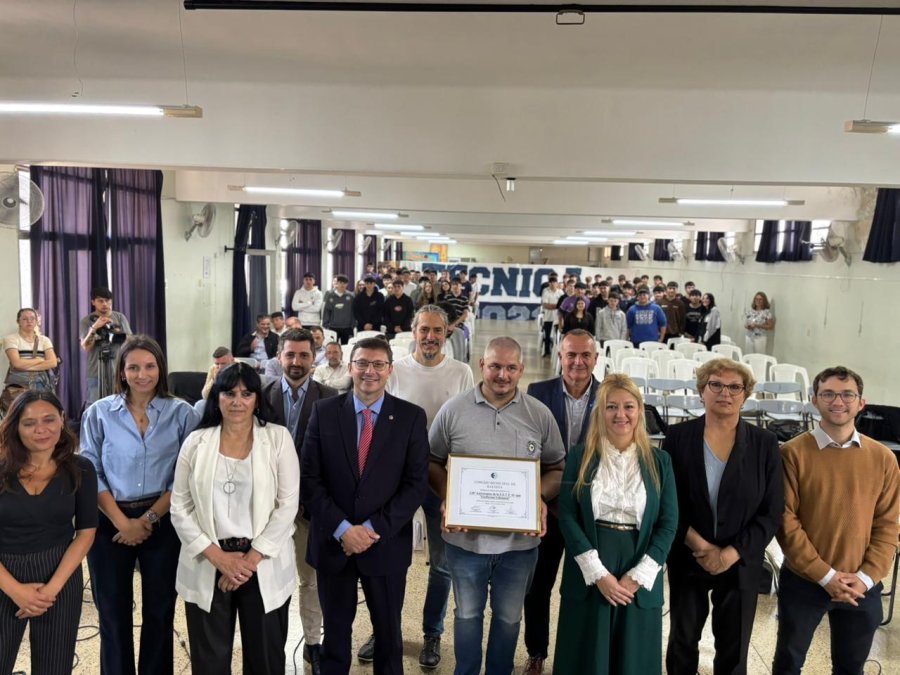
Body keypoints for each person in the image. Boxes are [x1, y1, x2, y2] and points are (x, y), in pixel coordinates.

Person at [428, 337, 566, 675]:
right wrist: (450, 497)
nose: (501, 374)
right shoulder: (454, 410)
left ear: (521, 370)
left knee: (508, 618)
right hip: (465, 543)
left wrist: (539, 498)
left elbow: (557, 468)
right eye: (494, 366)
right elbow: (432, 461)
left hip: (519, 546)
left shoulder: (539, 414)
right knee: (467, 616)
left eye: (509, 368)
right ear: (482, 366)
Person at [300, 337, 430, 674]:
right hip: (334, 543)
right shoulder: (324, 412)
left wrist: (370, 530)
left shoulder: (411, 417)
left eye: (377, 364)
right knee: (336, 637)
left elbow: (415, 485)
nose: (369, 371)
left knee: (389, 636)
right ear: (350, 366)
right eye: (362, 363)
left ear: (389, 370)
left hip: (384, 545)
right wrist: (344, 530)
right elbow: (309, 480)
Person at [357, 305, 475, 668]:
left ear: (446, 334)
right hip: (395, 480)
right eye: (424, 329)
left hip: (442, 477)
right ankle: (384, 629)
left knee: (441, 563)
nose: (430, 337)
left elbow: (468, 425)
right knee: (389, 559)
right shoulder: (395, 371)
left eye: (437, 331)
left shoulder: (461, 372)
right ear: (413, 330)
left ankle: (432, 632)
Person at [80, 335, 200, 675]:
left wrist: (147, 519)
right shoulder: (99, 413)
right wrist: (122, 522)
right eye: (133, 367)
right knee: (113, 613)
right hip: (109, 521)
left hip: (163, 520)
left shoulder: (182, 413)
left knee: (160, 612)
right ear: (121, 371)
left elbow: (187, 476)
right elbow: (90, 472)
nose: (142, 374)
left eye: (149, 366)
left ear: (160, 368)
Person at [171, 362, 300, 675]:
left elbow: (288, 505)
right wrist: (220, 559)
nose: (237, 401)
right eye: (229, 393)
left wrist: (248, 561)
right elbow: (179, 506)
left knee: (266, 660)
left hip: (263, 561)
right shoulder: (197, 442)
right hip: (208, 560)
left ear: (257, 398)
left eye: (246, 393)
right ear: (217, 397)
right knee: (210, 661)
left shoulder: (278, 438)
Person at [772, 366, 899, 675]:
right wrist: (825, 575)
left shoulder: (883, 458)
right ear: (814, 400)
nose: (838, 401)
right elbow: (786, 522)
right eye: (828, 394)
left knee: (850, 667)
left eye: (847, 395)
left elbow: (889, 524)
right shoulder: (791, 454)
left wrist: (867, 577)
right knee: (788, 664)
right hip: (805, 581)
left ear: (861, 402)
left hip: (862, 584)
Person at [664, 358, 783, 675]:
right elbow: (667, 501)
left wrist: (731, 553)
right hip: (689, 554)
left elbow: (771, 512)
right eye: (715, 384)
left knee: (734, 649)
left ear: (745, 394)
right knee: (682, 641)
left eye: (734, 387)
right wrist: (698, 544)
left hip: (740, 559)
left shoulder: (765, 444)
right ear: (702, 390)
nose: (724, 393)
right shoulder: (677, 438)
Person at [553, 374, 677, 675]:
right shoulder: (581, 456)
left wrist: (638, 576)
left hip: (639, 564)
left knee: (632, 659)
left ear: (640, 410)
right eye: (611, 407)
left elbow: (668, 522)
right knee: (586, 656)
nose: (620, 414)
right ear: (600, 412)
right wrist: (598, 574)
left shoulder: (661, 461)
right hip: (590, 564)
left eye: (628, 406)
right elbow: (567, 515)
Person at [0, 391, 97, 675]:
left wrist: (50, 591)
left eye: (49, 419)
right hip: (4, 574)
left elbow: (86, 531)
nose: (41, 430)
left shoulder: (81, 469)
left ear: (62, 420)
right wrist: (17, 591)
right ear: (14, 426)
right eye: (29, 423)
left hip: (60, 574)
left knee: (54, 666)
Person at [522, 329, 600, 674]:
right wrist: (543, 494)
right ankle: (536, 652)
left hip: (593, 512)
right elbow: (526, 448)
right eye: (571, 355)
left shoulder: (612, 395)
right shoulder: (537, 394)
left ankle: (581, 653)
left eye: (585, 355)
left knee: (588, 585)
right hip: (547, 507)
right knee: (537, 586)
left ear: (596, 359)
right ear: (560, 357)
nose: (578, 362)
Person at [262, 328, 339, 674]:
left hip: (310, 510)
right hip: (266, 509)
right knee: (267, 578)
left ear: (314, 358)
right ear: (279, 357)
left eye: (304, 355)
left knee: (311, 580)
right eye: (290, 355)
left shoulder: (331, 398)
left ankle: (312, 643)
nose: (296, 362)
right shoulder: (259, 397)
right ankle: (268, 642)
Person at [79, 287, 133, 404]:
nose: (105, 304)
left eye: (108, 301)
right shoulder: (86, 321)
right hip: (96, 371)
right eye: (100, 301)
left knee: (120, 404)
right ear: (93, 302)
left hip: (118, 370)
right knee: (95, 406)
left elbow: (131, 342)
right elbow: (86, 347)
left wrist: (115, 331)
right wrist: (94, 328)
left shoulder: (119, 317)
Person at [3, 307, 59, 399]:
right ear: (18, 321)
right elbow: (16, 363)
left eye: (32, 318)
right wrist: (39, 360)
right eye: (25, 319)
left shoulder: (44, 340)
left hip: (42, 384)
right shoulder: (11, 339)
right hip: (19, 386)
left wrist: (25, 365)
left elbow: (53, 362)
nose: (29, 321)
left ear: (36, 321)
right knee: (20, 412)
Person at [322, 275, 356, 344]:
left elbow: (354, 311)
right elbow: (327, 311)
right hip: (333, 327)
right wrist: (325, 324)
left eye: (344, 283)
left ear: (347, 284)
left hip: (347, 327)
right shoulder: (330, 296)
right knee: (333, 347)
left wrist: (353, 324)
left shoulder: (351, 296)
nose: (342, 285)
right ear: (337, 283)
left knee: (347, 347)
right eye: (340, 282)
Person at [540, 276, 564, 357]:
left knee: (557, 336)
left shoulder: (560, 292)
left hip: (557, 318)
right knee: (547, 336)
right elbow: (546, 305)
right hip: (548, 317)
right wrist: (557, 306)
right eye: (551, 282)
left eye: (554, 282)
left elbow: (563, 306)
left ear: (557, 283)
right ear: (549, 283)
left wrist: (554, 306)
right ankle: (547, 351)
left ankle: (556, 352)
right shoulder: (546, 291)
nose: (552, 284)